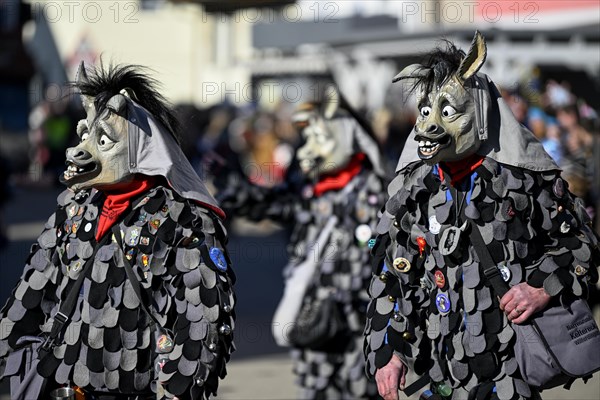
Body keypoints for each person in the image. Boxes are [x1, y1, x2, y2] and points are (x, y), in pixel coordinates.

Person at [364, 32, 600, 400]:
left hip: (509, 374)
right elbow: (393, 275)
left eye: (448, 111)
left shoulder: (524, 182)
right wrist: (388, 352)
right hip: (438, 375)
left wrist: (541, 288)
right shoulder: (412, 191)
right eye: (426, 111)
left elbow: (582, 246)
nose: (429, 124)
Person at [0, 63, 235, 400]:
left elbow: (203, 322)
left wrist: (178, 390)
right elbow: (30, 295)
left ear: (139, 148)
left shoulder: (186, 219)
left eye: (104, 140)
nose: (81, 149)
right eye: (85, 135)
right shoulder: (73, 206)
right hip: (58, 386)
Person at [217, 86, 386, 399]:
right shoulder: (311, 187)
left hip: (356, 324)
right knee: (315, 388)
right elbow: (281, 204)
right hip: (312, 320)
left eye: (318, 138)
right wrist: (243, 196)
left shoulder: (372, 191)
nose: (309, 148)